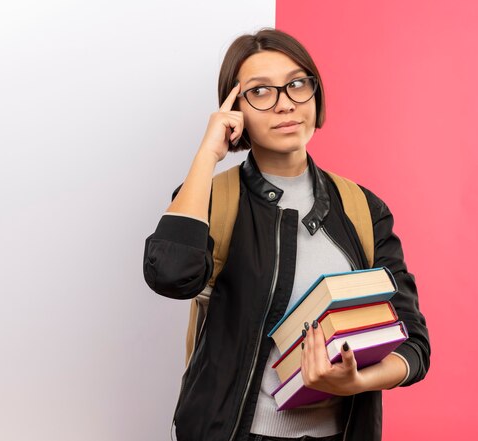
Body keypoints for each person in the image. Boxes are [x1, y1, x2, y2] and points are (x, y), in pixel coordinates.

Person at [142, 28, 430, 441]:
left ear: (315, 94)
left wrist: (358, 382)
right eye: (261, 92)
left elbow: (413, 342)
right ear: (234, 108)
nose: (285, 105)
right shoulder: (210, 197)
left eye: (297, 84)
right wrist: (207, 154)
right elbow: (170, 275)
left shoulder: (364, 209)